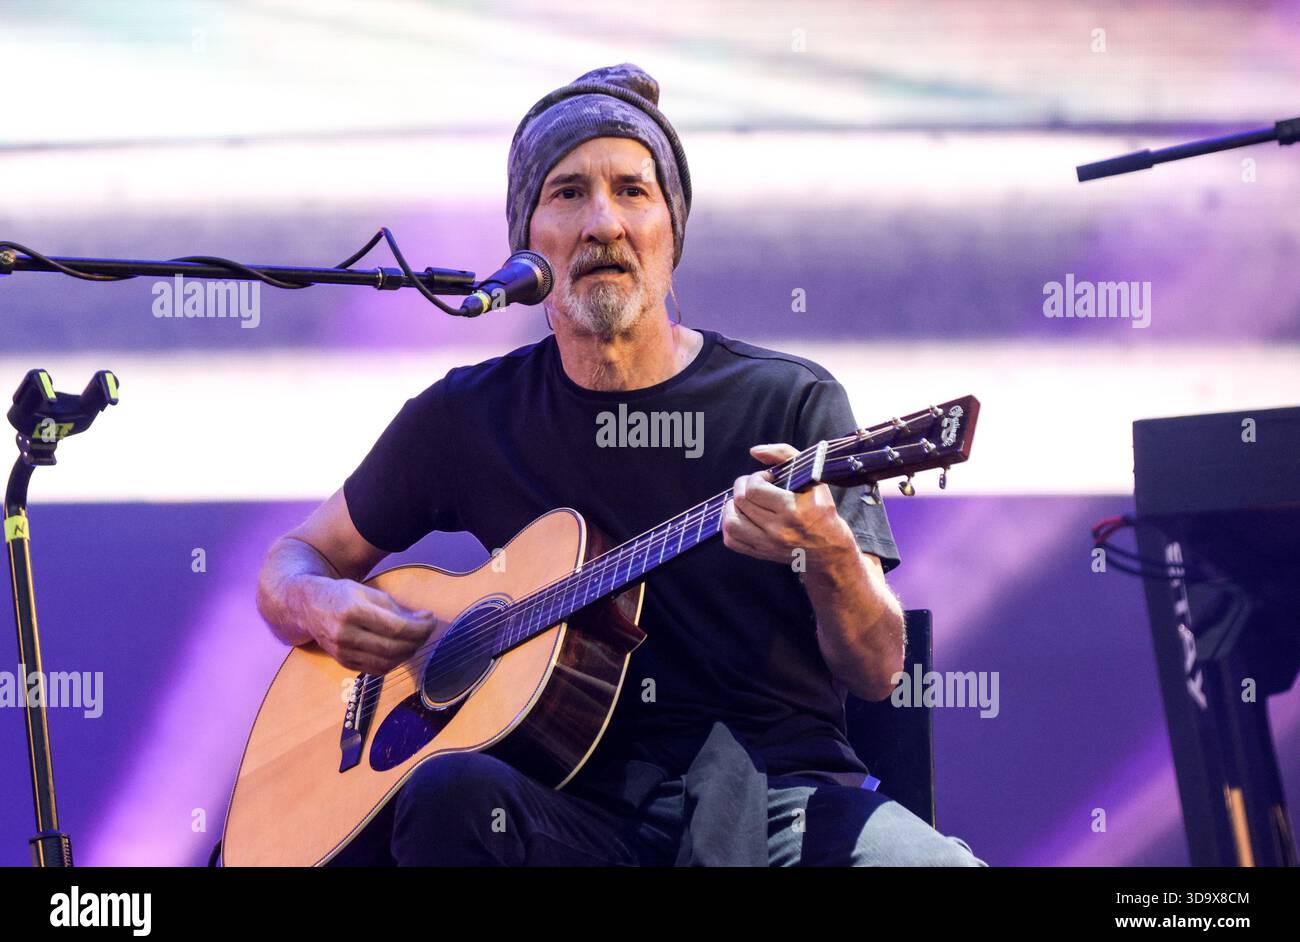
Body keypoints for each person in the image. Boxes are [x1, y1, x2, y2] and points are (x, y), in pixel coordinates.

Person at [254, 63, 985, 867]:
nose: (603, 221)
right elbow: (294, 560)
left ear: (673, 235)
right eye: (568, 193)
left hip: (779, 801)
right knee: (446, 798)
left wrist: (829, 554)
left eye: (633, 192)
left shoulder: (789, 402)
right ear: (527, 247)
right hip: (568, 814)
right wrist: (318, 603)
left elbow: (879, 669)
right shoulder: (467, 417)